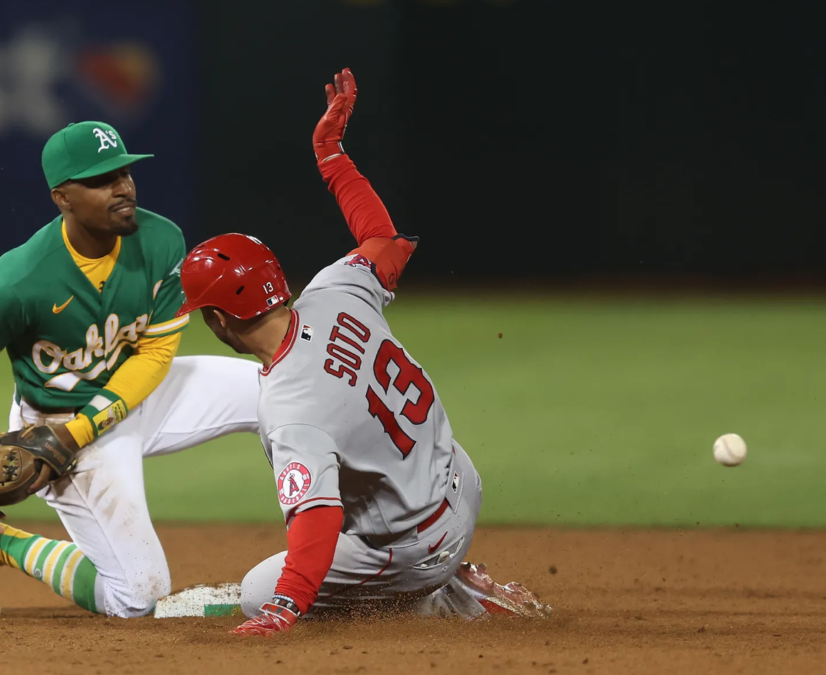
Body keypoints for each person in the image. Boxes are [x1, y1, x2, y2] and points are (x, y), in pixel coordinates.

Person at [176, 69, 550, 636]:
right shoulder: (336, 289)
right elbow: (381, 239)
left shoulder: (290, 406)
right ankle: (442, 573)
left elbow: (317, 518)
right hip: (459, 484)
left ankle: (448, 596)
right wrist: (330, 153)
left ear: (219, 319)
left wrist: (284, 609)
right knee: (359, 465)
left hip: (419, 545)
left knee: (258, 589)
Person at [0, 121, 260, 620]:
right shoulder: (17, 281)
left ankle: (357, 549)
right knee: (139, 596)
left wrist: (86, 425)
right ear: (62, 197)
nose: (123, 188)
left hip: (135, 394)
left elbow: (154, 356)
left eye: (125, 173)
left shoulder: (162, 242)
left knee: (279, 389)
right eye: (101, 180)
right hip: (57, 427)